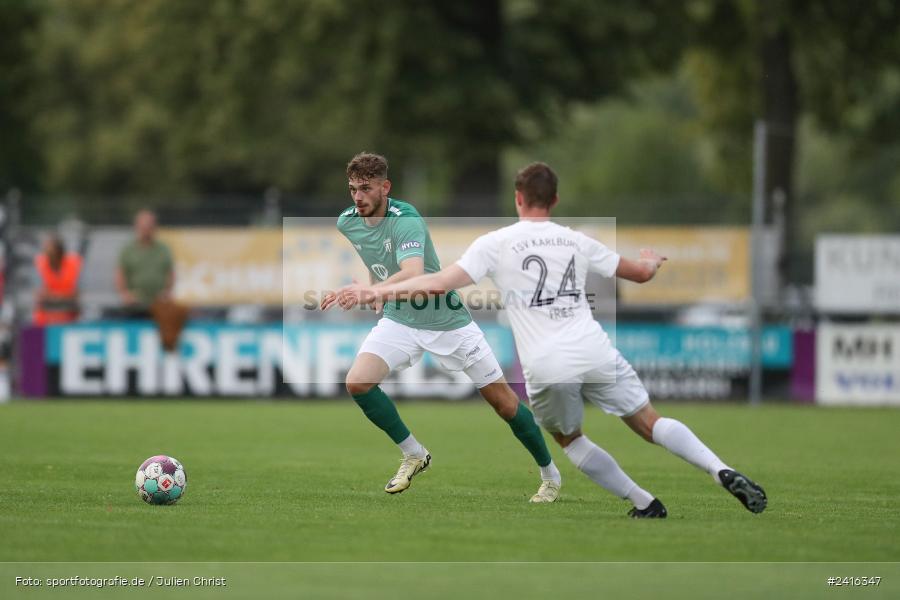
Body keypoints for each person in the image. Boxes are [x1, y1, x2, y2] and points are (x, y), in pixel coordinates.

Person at [340, 162, 768, 517]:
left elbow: (434, 282)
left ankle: (641, 501)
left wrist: (374, 291)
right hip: (594, 347)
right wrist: (650, 262)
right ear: (555, 201)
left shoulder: (496, 243)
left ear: (518, 199)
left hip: (544, 361)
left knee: (567, 436)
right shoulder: (576, 238)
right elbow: (639, 273)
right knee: (650, 422)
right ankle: (719, 469)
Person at [321, 152, 562, 500]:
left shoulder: (406, 220)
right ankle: (415, 454)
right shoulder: (348, 221)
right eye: (352, 188)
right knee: (358, 382)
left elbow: (415, 273)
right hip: (400, 320)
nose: (358, 197)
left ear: (385, 187)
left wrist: (371, 291)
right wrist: (377, 289)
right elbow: (378, 258)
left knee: (505, 405)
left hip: (448, 322)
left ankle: (550, 475)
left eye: (366, 188)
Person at [116, 209, 186, 351]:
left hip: (158, 304)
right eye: (143, 226)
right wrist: (125, 293)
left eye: (149, 226)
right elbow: (120, 274)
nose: (146, 230)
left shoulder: (163, 249)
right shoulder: (128, 250)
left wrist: (167, 291)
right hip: (136, 304)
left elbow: (170, 273)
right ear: (137, 227)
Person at [33, 235, 82, 326]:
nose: (47, 251)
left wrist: (57, 296)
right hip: (48, 307)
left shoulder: (74, 263)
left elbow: (76, 292)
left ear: (59, 251)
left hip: (69, 307)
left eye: (50, 248)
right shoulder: (40, 263)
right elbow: (40, 295)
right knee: (39, 314)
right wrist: (58, 296)